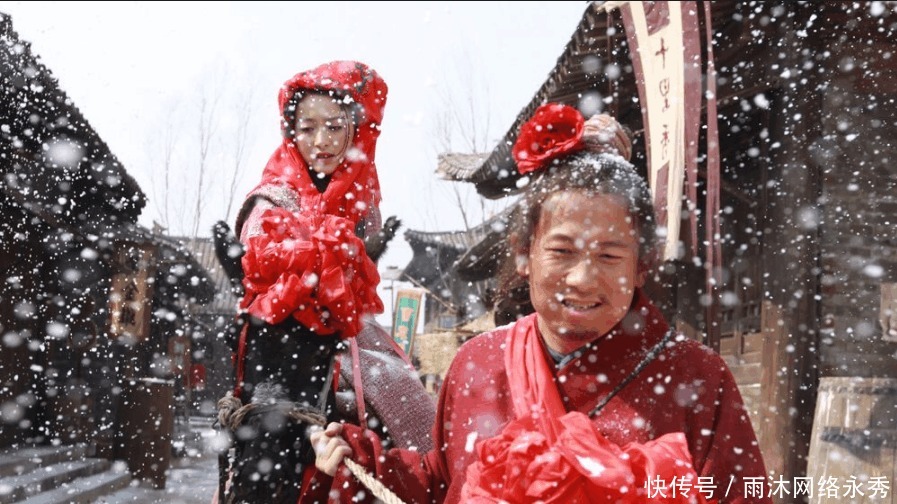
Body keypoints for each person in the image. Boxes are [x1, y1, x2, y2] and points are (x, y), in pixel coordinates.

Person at [310, 104, 771, 503]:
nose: (584, 279)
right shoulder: (478, 363)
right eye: (562, 251)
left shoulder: (697, 379)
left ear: (643, 265)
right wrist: (367, 462)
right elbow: (445, 481)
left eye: (610, 255)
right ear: (524, 252)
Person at [216, 60, 435, 504]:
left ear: (355, 131)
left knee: (408, 412)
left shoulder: (358, 197)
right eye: (308, 127)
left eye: (334, 127)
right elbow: (262, 281)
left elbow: (354, 273)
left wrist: (365, 255)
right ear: (291, 131)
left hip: (344, 336)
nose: (321, 141)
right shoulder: (271, 200)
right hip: (279, 344)